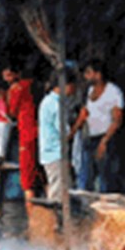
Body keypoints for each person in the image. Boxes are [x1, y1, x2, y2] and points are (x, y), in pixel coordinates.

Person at [69, 59, 124, 193]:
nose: (85, 76)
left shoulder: (113, 92)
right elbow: (85, 114)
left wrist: (104, 141)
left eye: (89, 73)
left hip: (105, 139)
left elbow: (117, 120)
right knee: (86, 177)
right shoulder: (90, 91)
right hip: (90, 138)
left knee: (106, 179)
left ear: (98, 74)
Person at [2, 61, 38, 215]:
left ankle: (33, 220)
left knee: (27, 179)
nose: (7, 77)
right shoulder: (33, 86)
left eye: (10, 74)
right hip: (36, 132)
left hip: (26, 131)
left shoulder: (17, 89)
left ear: (17, 74)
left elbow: (11, 111)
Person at [38, 68, 78, 201]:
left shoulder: (48, 101)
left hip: (50, 153)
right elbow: (65, 134)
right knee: (58, 194)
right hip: (55, 154)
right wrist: (80, 121)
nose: (74, 90)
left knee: (57, 189)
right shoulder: (55, 105)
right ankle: (56, 220)